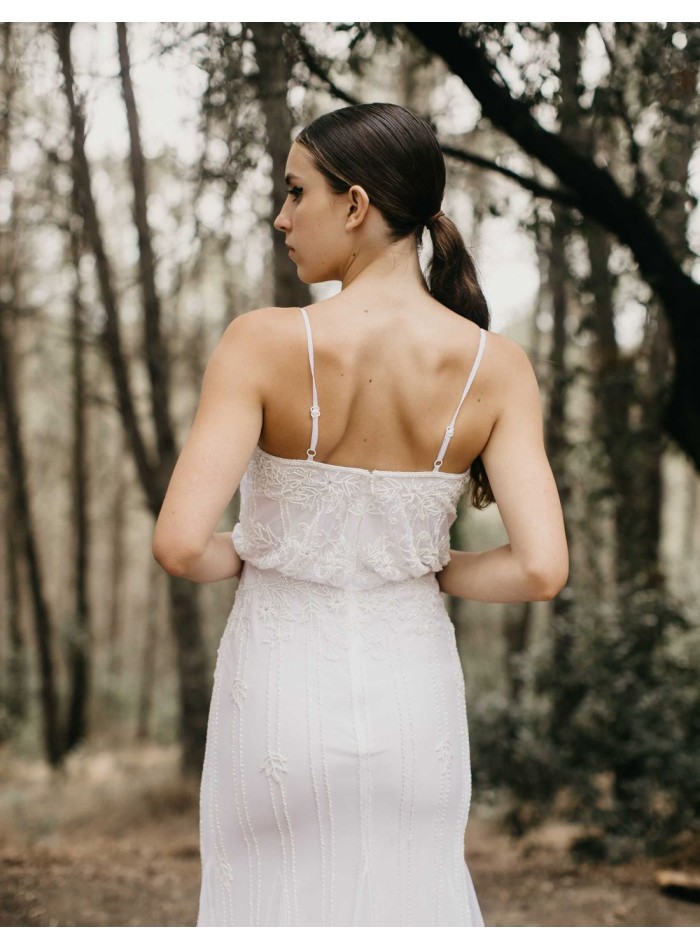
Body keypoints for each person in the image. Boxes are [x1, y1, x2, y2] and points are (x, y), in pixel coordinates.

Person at [152, 102, 568, 927]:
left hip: (278, 695)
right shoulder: (499, 366)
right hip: (413, 698)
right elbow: (541, 567)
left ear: (355, 205)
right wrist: (426, 566)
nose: (280, 217)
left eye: (294, 191)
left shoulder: (262, 341)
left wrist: (256, 547)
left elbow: (179, 543)